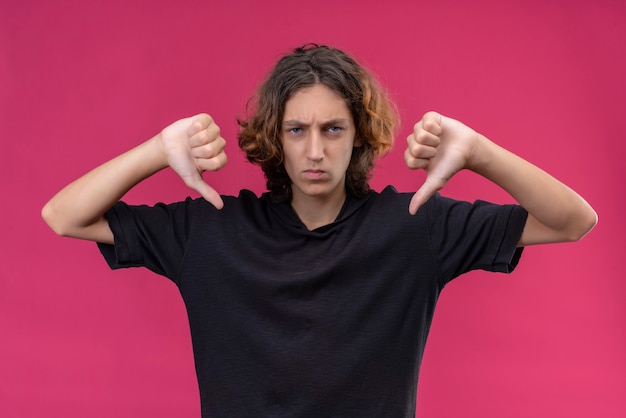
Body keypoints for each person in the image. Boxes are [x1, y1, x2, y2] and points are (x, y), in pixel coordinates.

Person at [42, 44, 597, 417]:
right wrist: (157, 151)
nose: (314, 151)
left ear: (358, 134)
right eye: (296, 129)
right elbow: (64, 216)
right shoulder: (210, 230)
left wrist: (478, 152)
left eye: (333, 129)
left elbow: (573, 221)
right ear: (274, 138)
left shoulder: (413, 226)